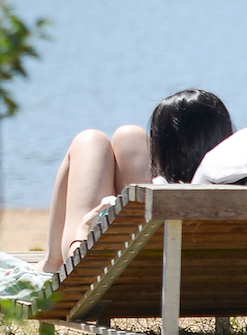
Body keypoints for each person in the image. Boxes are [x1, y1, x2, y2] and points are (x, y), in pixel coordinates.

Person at [39, 89, 233, 273]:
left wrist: (83, 231)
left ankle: (52, 260)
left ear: (162, 149)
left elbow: (83, 268)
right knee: (129, 135)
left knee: (89, 140)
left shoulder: (161, 205)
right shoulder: (244, 191)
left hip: (131, 278)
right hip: (191, 270)